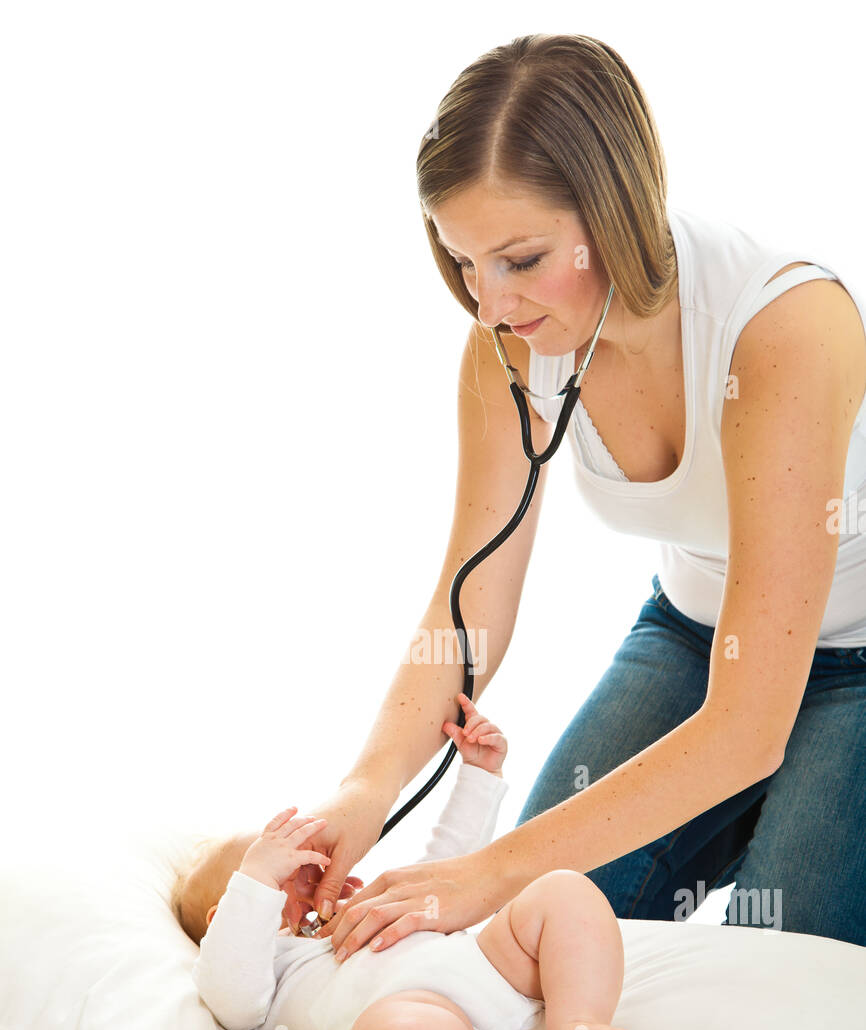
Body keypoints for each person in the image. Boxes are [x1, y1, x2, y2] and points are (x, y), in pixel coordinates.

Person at [297, 33, 866, 952]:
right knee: (531, 936)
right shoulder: (509, 343)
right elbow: (468, 600)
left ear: (613, 212)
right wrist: (367, 788)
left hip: (855, 657)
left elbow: (748, 726)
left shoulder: (787, 328)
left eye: (519, 258)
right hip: (692, 630)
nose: (488, 305)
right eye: (464, 261)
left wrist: (485, 868)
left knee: (787, 960)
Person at [172, 694, 646, 1030]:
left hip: (496, 973)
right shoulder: (264, 970)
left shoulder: (356, 908)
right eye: (278, 871)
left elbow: (444, 868)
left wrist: (478, 774)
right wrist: (254, 885)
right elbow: (231, 999)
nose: (304, 872)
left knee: (563, 890)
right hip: (431, 1027)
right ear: (226, 916)